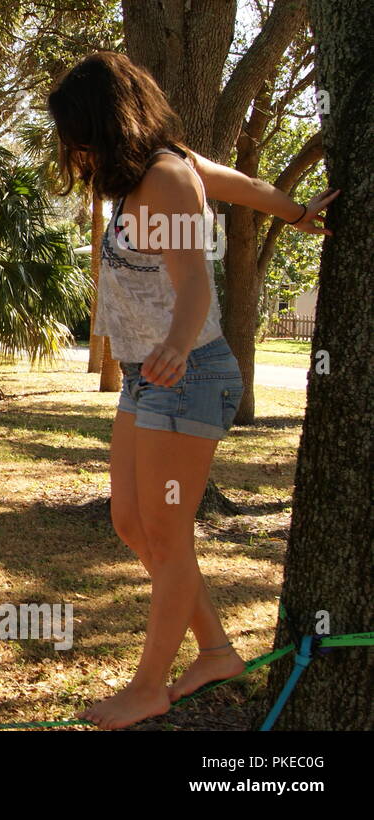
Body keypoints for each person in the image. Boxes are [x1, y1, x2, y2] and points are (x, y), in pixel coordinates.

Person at [46, 51, 338, 729]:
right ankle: (214, 649)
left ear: (106, 124)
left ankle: (149, 687)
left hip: (190, 373)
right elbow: (237, 185)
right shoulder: (154, 169)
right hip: (150, 374)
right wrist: (294, 211)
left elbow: (196, 280)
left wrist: (177, 342)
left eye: (77, 136)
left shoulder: (167, 179)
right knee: (130, 522)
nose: (73, 152)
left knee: (168, 535)